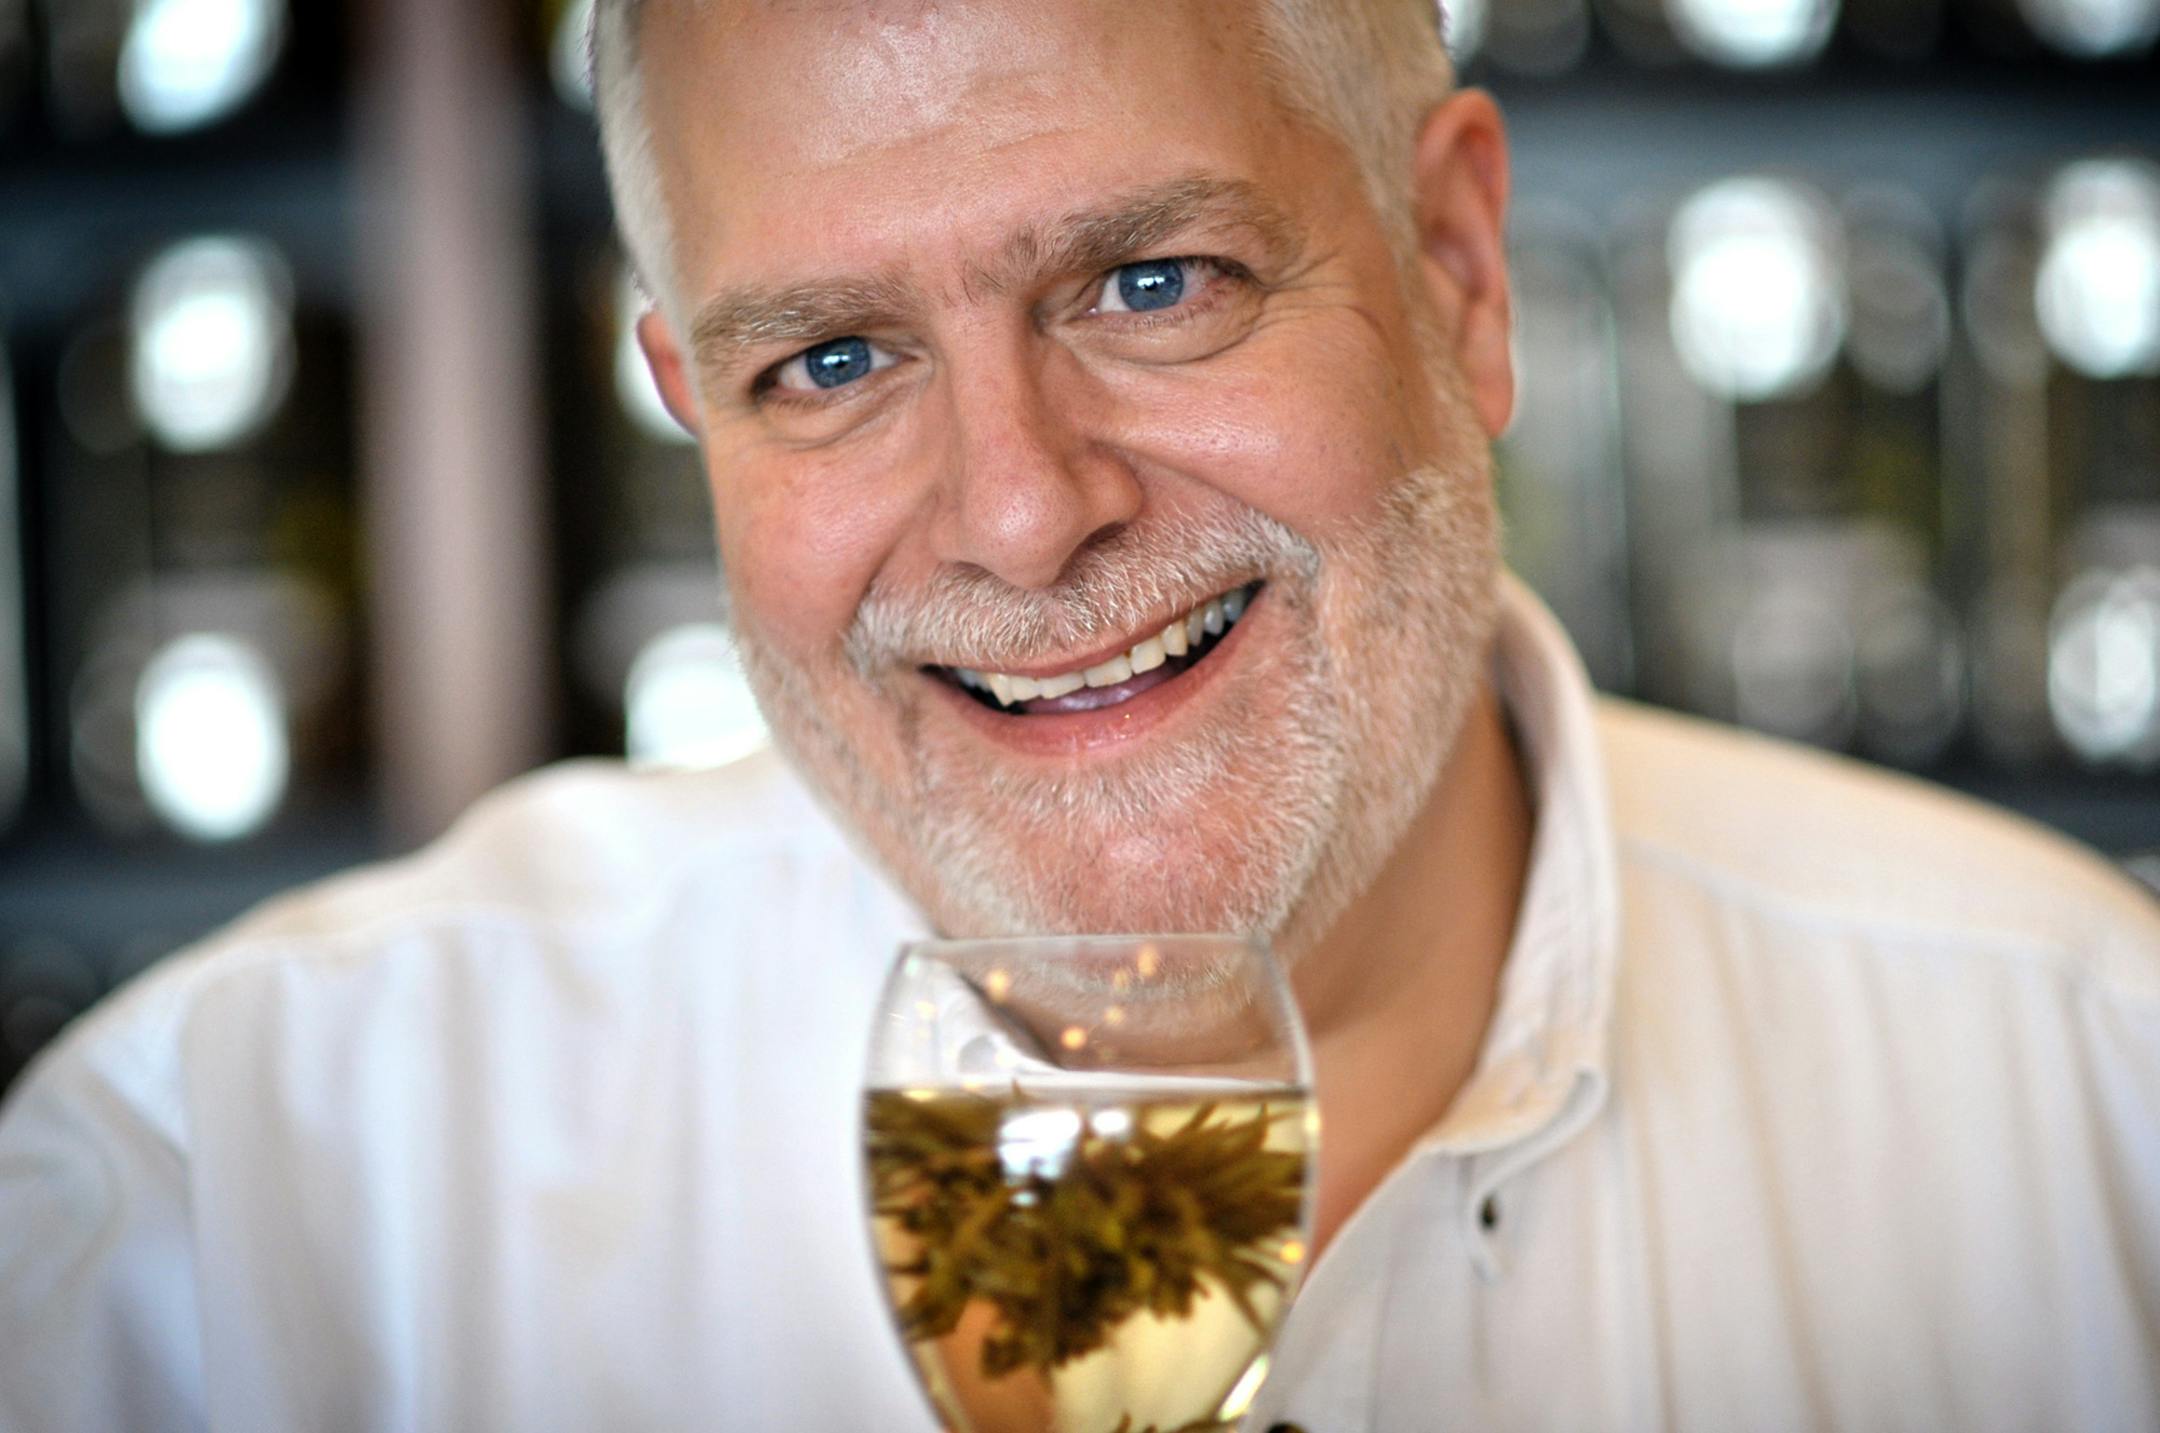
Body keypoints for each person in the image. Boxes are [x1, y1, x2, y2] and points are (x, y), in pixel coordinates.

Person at [3, 1, 2156, 1428]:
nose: (1023, 516)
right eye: (830, 361)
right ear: (689, 415)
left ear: (1460, 275)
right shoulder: (232, 1208)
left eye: (1153, 284)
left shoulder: (2086, 1101)